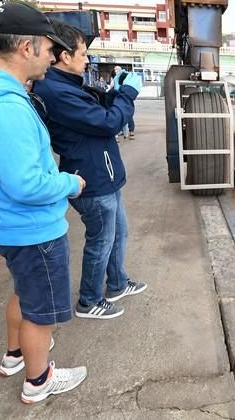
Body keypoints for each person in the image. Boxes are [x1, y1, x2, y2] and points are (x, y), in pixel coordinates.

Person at [0, 3, 87, 404]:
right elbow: (25, 183)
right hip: (31, 227)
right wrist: (69, 183)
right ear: (27, 47)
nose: (50, 56)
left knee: (25, 294)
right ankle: (38, 379)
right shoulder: (6, 107)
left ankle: (15, 355)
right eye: (47, 48)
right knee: (40, 311)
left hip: (7, 225)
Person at [33, 21, 147, 320]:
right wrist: (127, 95)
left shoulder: (66, 86)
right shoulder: (57, 91)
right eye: (83, 54)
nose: (87, 60)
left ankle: (118, 283)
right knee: (101, 241)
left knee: (118, 233)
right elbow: (109, 123)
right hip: (92, 180)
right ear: (65, 56)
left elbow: (97, 112)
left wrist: (114, 92)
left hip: (103, 176)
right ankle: (89, 300)